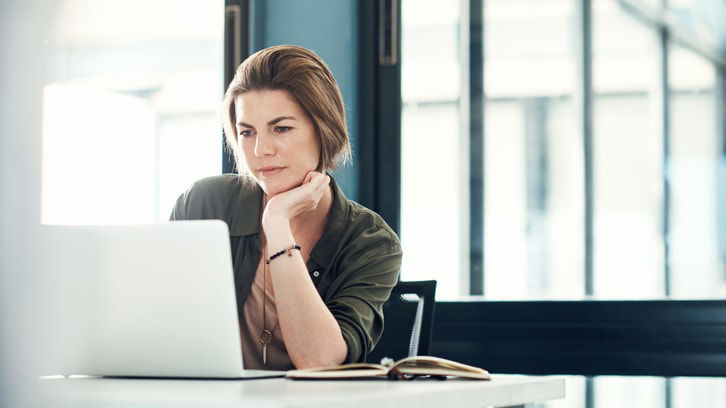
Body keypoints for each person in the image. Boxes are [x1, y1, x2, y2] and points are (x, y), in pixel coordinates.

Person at [170, 45, 402, 370]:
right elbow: (161, 328)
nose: (260, 149)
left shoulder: (371, 242)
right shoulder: (205, 203)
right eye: (247, 132)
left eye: (281, 128)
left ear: (323, 131)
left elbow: (318, 360)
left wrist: (277, 224)